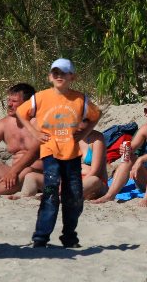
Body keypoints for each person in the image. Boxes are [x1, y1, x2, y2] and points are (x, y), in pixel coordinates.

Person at [15, 58, 101, 248]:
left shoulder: (80, 99)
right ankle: (40, 238)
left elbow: (96, 115)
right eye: (55, 73)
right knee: (50, 192)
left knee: (74, 196)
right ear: (50, 76)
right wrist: (34, 132)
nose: (59, 76)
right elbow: (22, 112)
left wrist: (84, 133)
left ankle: (69, 237)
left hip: (71, 154)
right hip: (50, 152)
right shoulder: (41, 97)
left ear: (72, 76)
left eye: (64, 73)